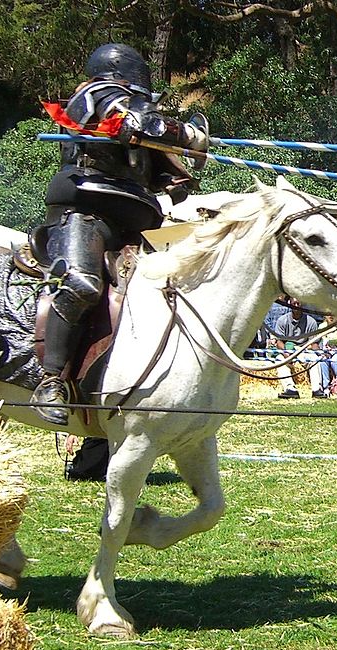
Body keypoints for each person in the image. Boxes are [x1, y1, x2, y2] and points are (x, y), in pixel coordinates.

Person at [30, 42, 209, 425]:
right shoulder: (96, 96)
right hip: (86, 209)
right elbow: (136, 124)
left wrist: (173, 177)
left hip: (136, 220)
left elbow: (148, 163)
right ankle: (50, 382)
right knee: (79, 284)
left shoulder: (135, 113)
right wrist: (189, 135)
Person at [272, 299, 325, 399]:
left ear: (303, 305)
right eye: (294, 304)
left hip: (304, 349)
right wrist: (286, 354)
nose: (296, 306)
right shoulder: (282, 320)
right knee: (280, 360)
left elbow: (313, 343)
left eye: (298, 304)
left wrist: (320, 353)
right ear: (289, 305)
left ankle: (316, 389)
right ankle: (290, 389)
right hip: (288, 349)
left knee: (314, 359)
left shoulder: (311, 321)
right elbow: (279, 342)